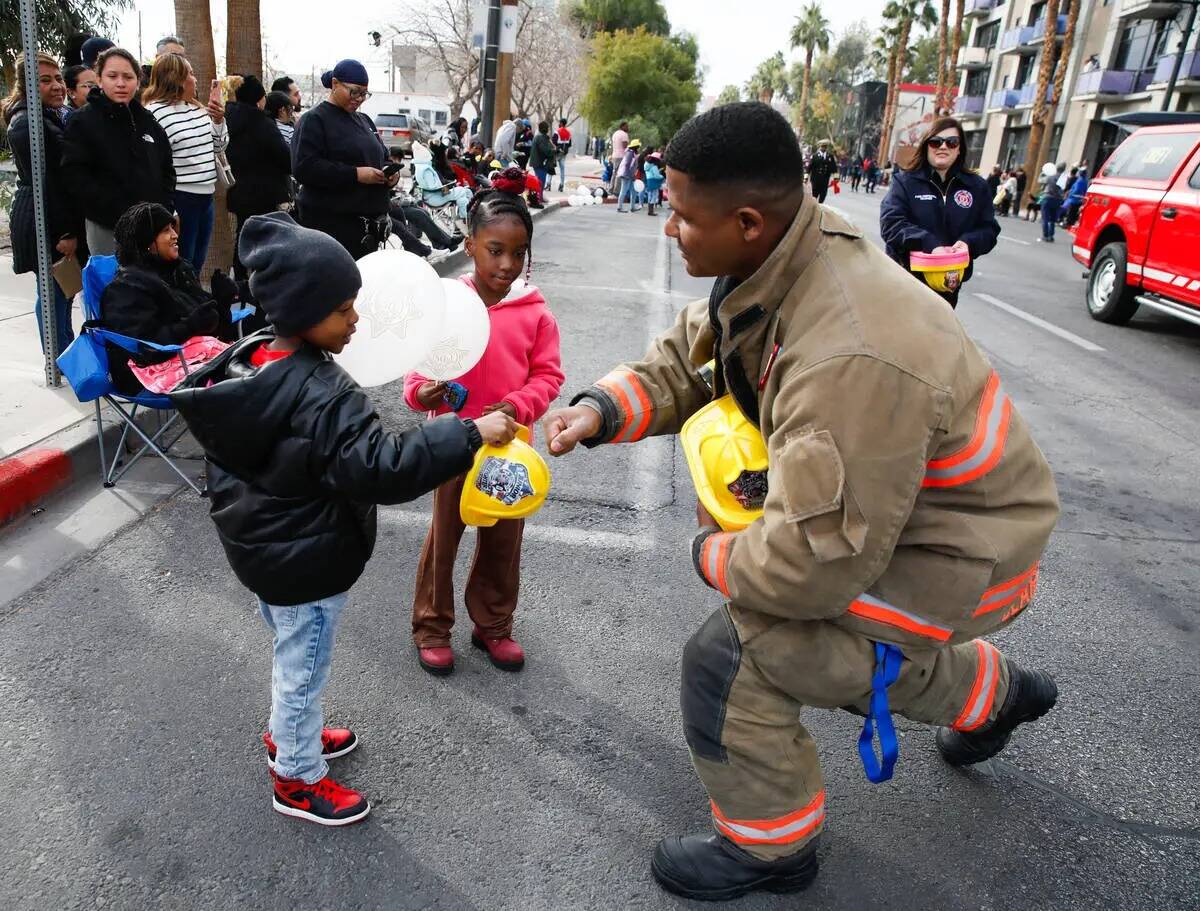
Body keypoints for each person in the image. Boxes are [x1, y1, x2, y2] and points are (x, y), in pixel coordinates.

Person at [541, 100, 1059, 902]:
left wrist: (710, 552)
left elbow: (811, 571)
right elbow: (696, 354)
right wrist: (600, 408)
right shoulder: (783, 257)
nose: (669, 228)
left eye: (680, 215)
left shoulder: (847, 350)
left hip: (958, 558)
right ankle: (995, 691)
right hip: (913, 527)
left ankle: (770, 847)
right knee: (834, 648)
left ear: (746, 221)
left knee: (737, 654)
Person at [167, 211, 518, 827]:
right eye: (344, 309)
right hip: (305, 560)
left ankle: (290, 732)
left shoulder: (252, 365)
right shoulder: (324, 392)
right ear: (305, 312)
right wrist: (465, 433)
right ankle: (296, 777)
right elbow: (380, 467)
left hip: (266, 550)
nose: (358, 320)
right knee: (303, 663)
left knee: (290, 651)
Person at [404, 191, 564, 675]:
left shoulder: (535, 312)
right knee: (444, 538)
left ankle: (493, 625)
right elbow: (416, 377)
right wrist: (424, 394)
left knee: (503, 542)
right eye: (496, 250)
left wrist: (517, 405)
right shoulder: (447, 306)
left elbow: (549, 377)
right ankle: (432, 627)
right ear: (470, 245)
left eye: (519, 253)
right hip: (452, 443)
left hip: (509, 451)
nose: (508, 264)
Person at [100, 203, 239, 394]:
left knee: (254, 363)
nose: (175, 235)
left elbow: (212, 330)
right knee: (240, 380)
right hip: (143, 374)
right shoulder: (127, 287)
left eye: (173, 228)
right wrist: (190, 326)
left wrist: (222, 302)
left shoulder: (179, 270)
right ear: (147, 242)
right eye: (166, 230)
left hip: (193, 359)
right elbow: (143, 348)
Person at [62, 47, 174, 257]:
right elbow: (76, 177)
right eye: (112, 76)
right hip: (107, 228)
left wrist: (164, 208)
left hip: (151, 226)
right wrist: (117, 212)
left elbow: (166, 168)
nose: (121, 83)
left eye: (128, 77)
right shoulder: (83, 121)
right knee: (114, 285)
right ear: (99, 79)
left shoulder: (147, 121)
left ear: (138, 81)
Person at [4, 52, 81, 356]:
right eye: (45, 80)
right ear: (26, 86)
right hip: (46, 220)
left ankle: (66, 352)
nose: (57, 86)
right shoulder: (27, 124)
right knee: (52, 294)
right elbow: (49, 183)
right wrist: (64, 233)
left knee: (63, 290)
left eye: (59, 78)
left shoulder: (52, 117)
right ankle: (59, 357)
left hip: (56, 217)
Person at [879, 117, 1000, 309]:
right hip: (904, 281)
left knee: (938, 337)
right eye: (936, 142)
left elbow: (989, 229)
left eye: (951, 142)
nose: (943, 147)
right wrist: (930, 244)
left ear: (959, 149)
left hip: (947, 284)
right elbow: (891, 225)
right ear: (927, 146)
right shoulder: (904, 182)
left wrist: (968, 243)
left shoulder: (977, 187)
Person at [291, 59, 400, 259]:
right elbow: (304, 167)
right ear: (335, 84)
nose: (359, 99)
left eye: (364, 94)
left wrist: (391, 173)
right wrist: (356, 174)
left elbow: (382, 156)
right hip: (331, 228)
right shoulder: (315, 119)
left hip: (368, 228)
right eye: (354, 91)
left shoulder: (364, 120)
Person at [142, 53, 229, 274]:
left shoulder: (198, 109)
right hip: (181, 197)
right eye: (189, 73)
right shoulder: (155, 113)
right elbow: (155, 162)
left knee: (197, 261)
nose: (195, 79)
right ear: (175, 78)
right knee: (181, 262)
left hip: (206, 196)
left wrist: (218, 121)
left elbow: (218, 147)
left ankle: (190, 303)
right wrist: (169, 207)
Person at [225, 76, 293, 281]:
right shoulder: (262, 123)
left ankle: (239, 281)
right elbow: (285, 158)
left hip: (238, 190)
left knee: (242, 235)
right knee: (266, 238)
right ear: (258, 98)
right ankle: (261, 281)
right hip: (264, 193)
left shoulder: (228, 118)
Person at [416, 139, 474, 222]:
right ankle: (465, 217)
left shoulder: (421, 167)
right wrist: (450, 186)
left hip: (433, 195)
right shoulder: (426, 169)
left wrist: (449, 186)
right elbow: (435, 186)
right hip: (436, 197)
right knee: (466, 192)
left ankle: (464, 217)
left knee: (464, 197)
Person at [1037, 161, 1064, 242]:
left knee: (1045, 218)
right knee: (1052, 219)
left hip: (1048, 197)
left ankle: (1045, 235)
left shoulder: (1050, 177)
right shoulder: (1063, 178)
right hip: (1058, 199)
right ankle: (1051, 235)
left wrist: (1042, 173)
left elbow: (1040, 181)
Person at [530, 120, 556, 202]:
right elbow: (546, 151)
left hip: (539, 163)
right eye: (548, 128)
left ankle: (539, 197)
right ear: (545, 129)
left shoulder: (540, 137)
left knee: (541, 181)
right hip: (540, 163)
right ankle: (538, 198)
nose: (548, 129)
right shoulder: (541, 138)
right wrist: (555, 151)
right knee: (540, 181)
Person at [616, 138, 642, 213]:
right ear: (636, 147)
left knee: (633, 191)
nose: (639, 148)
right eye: (638, 147)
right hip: (626, 175)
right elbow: (628, 165)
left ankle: (632, 207)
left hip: (629, 175)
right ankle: (619, 207)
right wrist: (631, 175)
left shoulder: (631, 153)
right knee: (623, 190)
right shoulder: (630, 154)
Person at [808, 140, 837, 204]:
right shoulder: (815, 156)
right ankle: (815, 206)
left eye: (825, 147)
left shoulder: (830, 156)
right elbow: (809, 167)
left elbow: (834, 167)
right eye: (822, 146)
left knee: (823, 194)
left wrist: (836, 178)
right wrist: (806, 177)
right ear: (820, 147)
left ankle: (820, 205)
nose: (823, 148)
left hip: (825, 179)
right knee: (814, 195)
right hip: (815, 179)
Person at [610, 120, 630, 193]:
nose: (628, 128)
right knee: (619, 173)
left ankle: (611, 189)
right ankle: (617, 191)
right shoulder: (624, 134)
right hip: (621, 156)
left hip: (614, 155)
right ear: (622, 126)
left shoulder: (615, 133)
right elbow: (625, 146)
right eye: (627, 126)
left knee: (614, 173)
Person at [643, 151, 664, 216]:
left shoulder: (646, 165)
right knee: (655, 195)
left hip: (649, 181)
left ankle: (649, 210)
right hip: (654, 181)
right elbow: (656, 176)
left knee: (650, 195)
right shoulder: (654, 166)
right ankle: (651, 211)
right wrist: (662, 176)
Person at [554, 118, 572, 192]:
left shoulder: (557, 131)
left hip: (557, 152)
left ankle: (548, 183)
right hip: (564, 153)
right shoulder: (569, 133)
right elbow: (570, 144)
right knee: (562, 169)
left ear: (561, 123)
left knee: (551, 167)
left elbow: (553, 141)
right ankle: (561, 184)